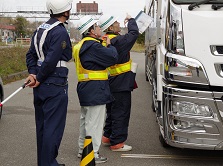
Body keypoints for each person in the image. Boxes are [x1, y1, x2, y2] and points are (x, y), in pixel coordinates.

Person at [25, 0, 73, 165]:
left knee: (43, 127)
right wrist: (39, 77)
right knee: (53, 128)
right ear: (65, 12)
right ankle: (49, 164)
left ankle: (44, 162)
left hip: (41, 85)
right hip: (54, 83)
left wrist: (33, 73)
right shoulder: (60, 32)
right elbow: (55, 58)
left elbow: (30, 54)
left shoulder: (40, 29)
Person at [73, 15, 118, 163]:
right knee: (95, 124)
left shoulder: (81, 45)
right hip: (96, 89)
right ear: (91, 31)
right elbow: (113, 57)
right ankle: (93, 153)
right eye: (97, 26)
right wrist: (110, 45)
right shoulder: (93, 46)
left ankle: (83, 150)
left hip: (85, 87)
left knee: (85, 121)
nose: (100, 28)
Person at [99, 14, 139, 151]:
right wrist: (131, 20)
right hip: (120, 82)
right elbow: (134, 34)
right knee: (121, 111)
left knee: (111, 111)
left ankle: (107, 136)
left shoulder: (103, 40)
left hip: (109, 81)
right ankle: (117, 142)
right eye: (115, 22)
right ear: (110, 27)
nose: (118, 23)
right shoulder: (119, 41)